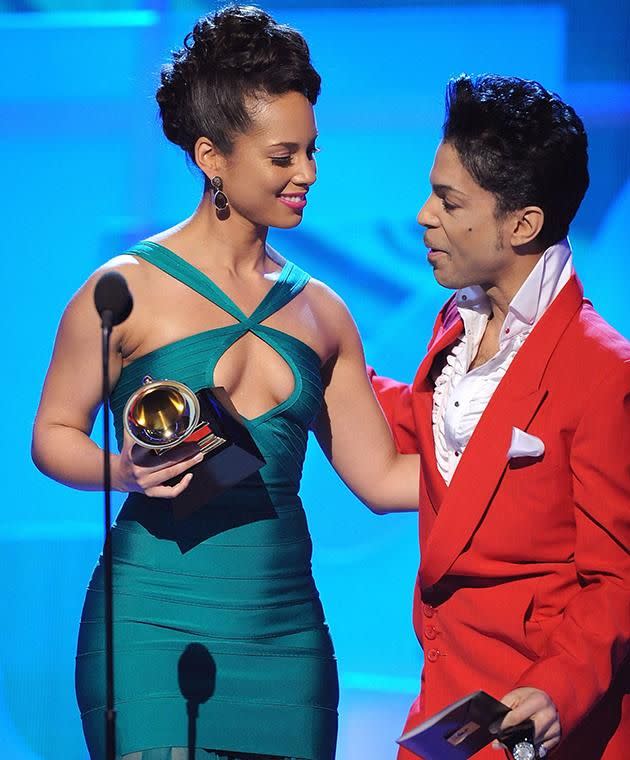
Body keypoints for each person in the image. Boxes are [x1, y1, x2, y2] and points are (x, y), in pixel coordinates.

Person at [31, 6, 418, 760]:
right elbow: (52, 435)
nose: (306, 174)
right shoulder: (124, 289)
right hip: (151, 619)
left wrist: (531, 460)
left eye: (311, 152)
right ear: (212, 156)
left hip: (285, 634)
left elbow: (381, 478)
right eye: (282, 157)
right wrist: (123, 470)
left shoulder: (323, 311)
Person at [370, 74, 630, 760]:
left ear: (522, 224)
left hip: (538, 722)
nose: (424, 215)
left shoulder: (604, 371)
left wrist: (554, 692)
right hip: (446, 710)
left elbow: (618, 578)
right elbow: (435, 427)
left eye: (448, 201)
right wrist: (319, 357)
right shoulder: (454, 326)